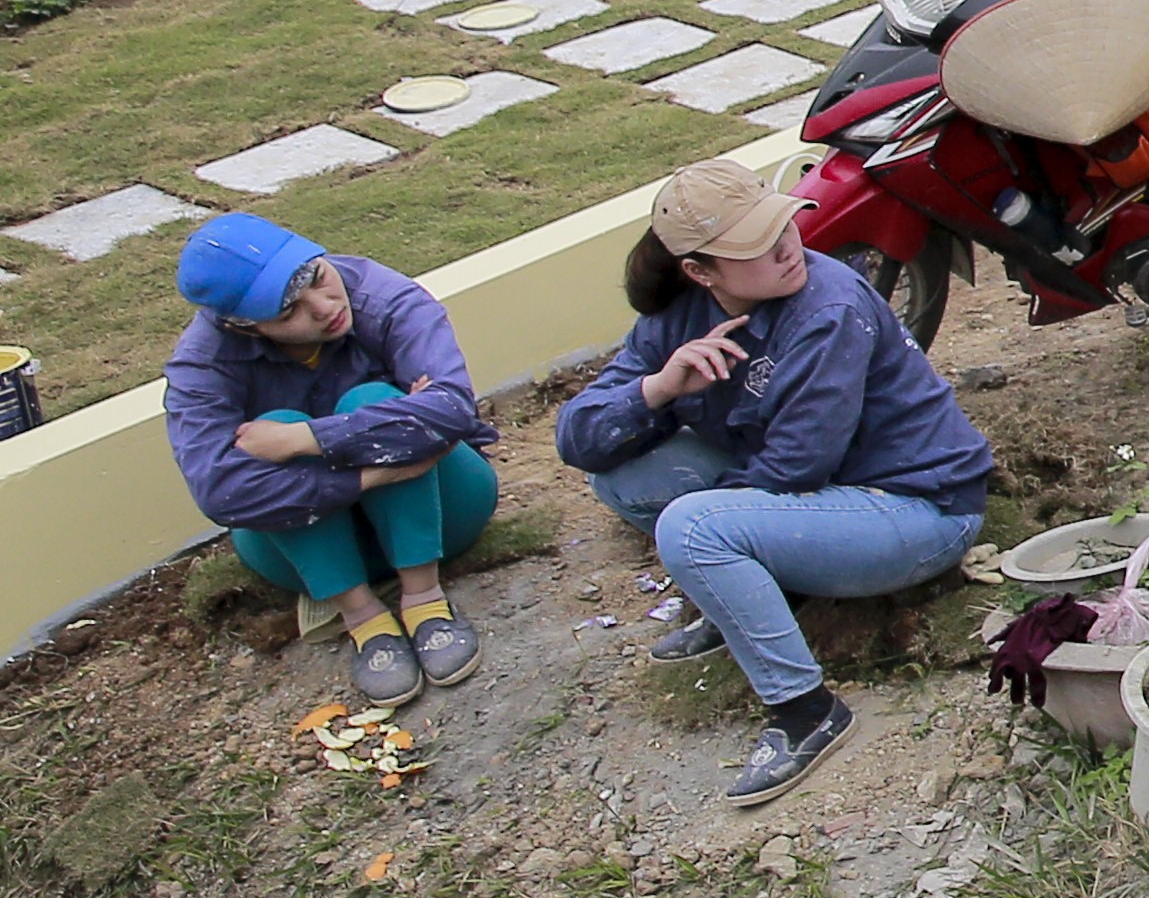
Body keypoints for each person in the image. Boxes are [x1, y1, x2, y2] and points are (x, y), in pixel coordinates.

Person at [552, 158, 1002, 809]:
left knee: (694, 529)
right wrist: (661, 388)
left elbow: (796, 466)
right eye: (755, 246)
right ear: (700, 272)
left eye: (780, 226)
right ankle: (751, 592)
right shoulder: (676, 319)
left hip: (912, 510)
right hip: (814, 494)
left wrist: (714, 532)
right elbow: (578, 439)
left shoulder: (829, 307)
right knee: (621, 477)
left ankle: (806, 711)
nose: (787, 247)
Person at [161, 216, 498, 706]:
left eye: (319, 277)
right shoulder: (202, 366)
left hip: (443, 514)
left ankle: (425, 598)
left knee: (366, 400)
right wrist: (377, 470)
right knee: (300, 425)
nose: (325, 308)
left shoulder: (384, 297)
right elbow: (221, 491)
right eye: (288, 311)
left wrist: (302, 439)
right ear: (244, 327)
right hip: (303, 558)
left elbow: (450, 410)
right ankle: (362, 617)